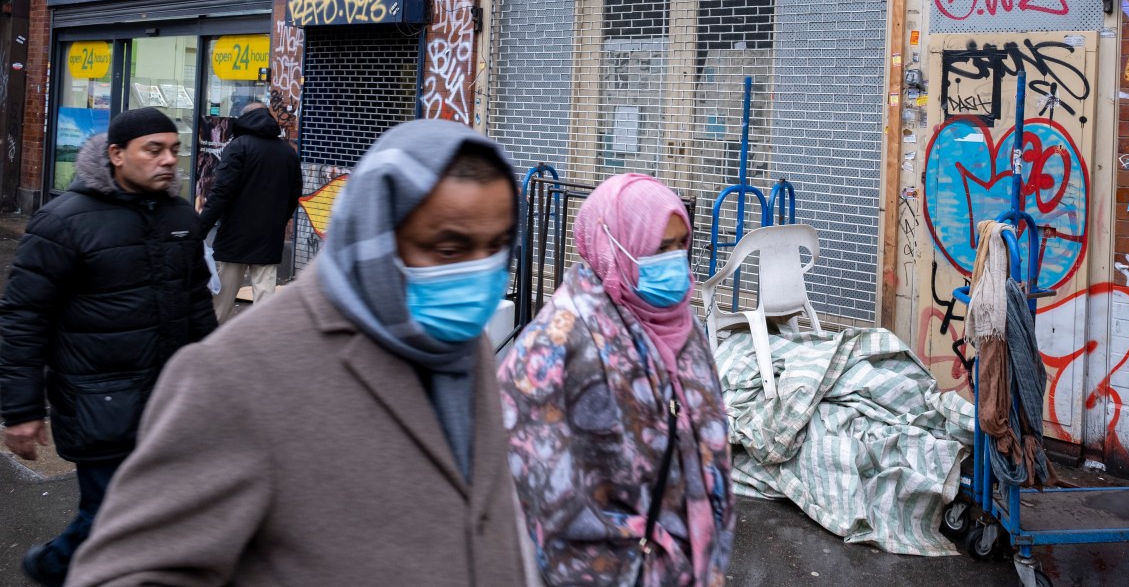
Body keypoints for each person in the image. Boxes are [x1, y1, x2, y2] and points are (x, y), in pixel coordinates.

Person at [66, 119, 539, 587]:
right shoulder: (236, 375)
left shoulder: (464, 344)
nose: (479, 273)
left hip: (240, 239)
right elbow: (126, 570)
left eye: (496, 246)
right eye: (449, 249)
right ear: (378, 231)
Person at [0, 107, 217, 587]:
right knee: (112, 515)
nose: (168, 161)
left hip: (168, 401)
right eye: (153, 150)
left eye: (174, 150)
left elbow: (196, 302)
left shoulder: (181, 216)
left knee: (156, 512)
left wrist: (218, 377)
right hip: (99, 401)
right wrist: (21, 408)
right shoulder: (63, 220)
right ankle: (55, 566)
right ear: (117, 155)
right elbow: (23, 317)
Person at [499, 172, 734, 587]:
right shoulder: (557, 343)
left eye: (682, 245)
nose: (676, 260)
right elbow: (526, 489)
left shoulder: (684, 327)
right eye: (659, 249)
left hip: (692, 564)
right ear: (614, 246)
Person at [198, 100, 303, 322]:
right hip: (269, 236)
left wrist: (201, 228)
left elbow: (221, 193)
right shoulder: (287, 152)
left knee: (223, 297)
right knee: (265, 297)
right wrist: (279, 221)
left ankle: (214, 344)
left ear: (244, 119)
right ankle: (262, 344)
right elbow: (295, 194)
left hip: (235, 235)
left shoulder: (238, 147)